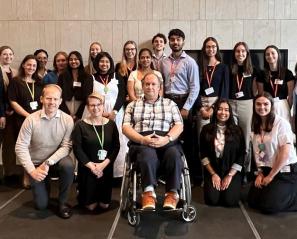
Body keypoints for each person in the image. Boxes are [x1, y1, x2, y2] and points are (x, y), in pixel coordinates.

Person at [122, 72, 183, 210]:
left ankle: (172, 194)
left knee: (174, 154)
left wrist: (167, 139)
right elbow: (125, 128)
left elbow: (179, 125)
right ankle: (148, 193)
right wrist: (142, 140)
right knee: (147, 155)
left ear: (159, 87)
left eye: (153, 84)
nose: (150, 87)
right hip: (141, 140)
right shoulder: (132, 105)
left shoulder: (170, 104)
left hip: (166, 139)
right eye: (147, 84)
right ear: (142, 87)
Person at [15, 84, 75, 218]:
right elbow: (20, 146)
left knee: (68, 165)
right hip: (36, 164)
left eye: (55, 99)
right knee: (41, 206)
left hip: (55, 161)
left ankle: (63, 202)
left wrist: (48, 162)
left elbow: (66, 146)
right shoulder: (30, 119)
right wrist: (32, 170)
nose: (52, 102)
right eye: (48, 98)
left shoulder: (67, 119)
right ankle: (44, 184)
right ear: (41, 99)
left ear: (60, 101)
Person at [160, 28, 200, 182]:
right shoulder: (164, 62)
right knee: (168, 137)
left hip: (183, 102)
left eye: (178, 39)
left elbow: (195, 87)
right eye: (172, 39)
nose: (175, 42)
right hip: (168, 101)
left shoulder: (190, 62)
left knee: (187, 139)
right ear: (168, 42)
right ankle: (169, 172)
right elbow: (161, 84)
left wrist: (186, 107)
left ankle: (189, 176)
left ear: (183, 41)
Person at [248, 92, 297, 214]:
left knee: (269, 207)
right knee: (252, 201)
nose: (262, 107)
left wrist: (270, 176)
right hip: (268, 168)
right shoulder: (256, 125)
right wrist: (260, 173)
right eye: (258, 104)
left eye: (265, 104)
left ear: (271, 106)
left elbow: (285, 152)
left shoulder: (281, 124)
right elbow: (259, 150)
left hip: (285, 171)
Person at [82, 51, 127, 179]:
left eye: (107, 61)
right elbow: (87, 97)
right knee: (96, 140)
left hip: (115, 113)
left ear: (110, 63)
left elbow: (121, 95)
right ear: (97, 63)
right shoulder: (90, 78)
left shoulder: (117, 76)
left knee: (116, 141)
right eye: (101, 61)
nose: (104, 64)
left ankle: (117, 173)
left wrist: (114, 112)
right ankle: (94, 170)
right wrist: (100, 113)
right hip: (95, 112)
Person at [72, 92, 120, 211]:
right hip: (88, 168)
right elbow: (77, 149)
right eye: (92, 105)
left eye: (99, 104)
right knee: (91, 207)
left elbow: (116, 147)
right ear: (88, 107)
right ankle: (82, 192)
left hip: (105, 168)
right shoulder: (80, 125)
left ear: (103, 105)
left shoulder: (111, 125)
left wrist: (103, 164)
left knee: (105, 205)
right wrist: (92, 166)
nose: (96, 108)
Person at [200, 99, 245, 207]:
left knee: (229, 201)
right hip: (213, 169)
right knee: (212, 200)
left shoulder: (237, 130)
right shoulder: (206, 129)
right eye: (219, 109)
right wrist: (213, 174)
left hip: (231, 170)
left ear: (230, 113)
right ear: (215, 111)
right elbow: (203, 155)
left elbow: (241, 154)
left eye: (226, 110)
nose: (223, 113)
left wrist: (229, 175)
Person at [8, 55, 44, 188]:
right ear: (23, 65)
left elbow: (44, 100)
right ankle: (26, 176)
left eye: (34, 66)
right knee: (26, 148)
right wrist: (28, 115)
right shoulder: (16, 81)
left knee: (36, 147)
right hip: (22, 120)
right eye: (29, 64)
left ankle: (37, 174)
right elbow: (13, 101)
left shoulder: (39, 81)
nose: (31, 67)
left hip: (40, 120)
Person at [229, 42, 257, 176]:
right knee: (232, 137)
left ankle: (245, 170)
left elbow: (256, 91)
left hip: (247, 104)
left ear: (247, 53)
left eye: (243, 51)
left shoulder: (253, 70)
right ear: (234, 54)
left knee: (246, 138)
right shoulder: (229, 69)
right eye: (237, 51)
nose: (240, 54)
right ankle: (233, 169)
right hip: (230, 103)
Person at [197, 37, 229, 135]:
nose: (211, 49)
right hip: (201, 104)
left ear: (217, 48)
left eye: (213, 46)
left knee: (217, 134)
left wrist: (214, 107)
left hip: (217, 104)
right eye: (208, 47)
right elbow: (194, 89)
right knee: (202, 134)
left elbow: (225, 90)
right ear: (204, 49)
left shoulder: (223, 67)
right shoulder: (199, 66)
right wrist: (201, 108)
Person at [257, 45, 294, 123]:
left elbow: (291, 96)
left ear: (278, 55)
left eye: (273, 53)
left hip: (282, 105)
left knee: (283, 130)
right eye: (267, 54)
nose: (270, 56)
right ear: (265, 57)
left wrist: (287, 108)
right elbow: (261, 94)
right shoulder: (262, 74)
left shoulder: (287, 73)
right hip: (267, 105)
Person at [58, 51, 92, 121]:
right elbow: (59, 95)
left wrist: (77, 115)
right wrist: (67, 113)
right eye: (71, 59)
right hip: (65, 108)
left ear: (80, 60)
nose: (73, 61)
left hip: (82, 108)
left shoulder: (87, 77)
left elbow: (87, 97)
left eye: (76, 59)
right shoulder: (62, 76)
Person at [0, 46, 18, 182]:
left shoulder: (16, 72)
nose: (8, 57)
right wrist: (2, 113)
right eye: (5, 54)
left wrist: (13, 109)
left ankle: (9, 173)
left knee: (9, 144)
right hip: (1, 113)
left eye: (10, 54)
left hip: (13, 114)